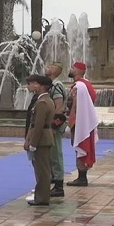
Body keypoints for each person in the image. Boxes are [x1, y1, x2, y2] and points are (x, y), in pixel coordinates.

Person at [67, 62, 98, 187]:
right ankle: (82, 176)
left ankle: (82, 178)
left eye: (73, 68)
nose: (71, 69)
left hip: (80, 121)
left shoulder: (79, 86)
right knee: (80, 145)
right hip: (83, 119)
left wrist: (73, 118)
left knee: (80, 144)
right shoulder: (86, 84)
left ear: (78, 70)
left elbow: (76, 104)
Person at [26, 75, 54, 206]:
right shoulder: (44, 100)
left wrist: (33, 143)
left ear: (41, 86)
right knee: (42, 169)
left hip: (42, 139)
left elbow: (38, 125)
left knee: (42, 170)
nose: (31, 86)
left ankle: (42, 198)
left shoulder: (42, 102)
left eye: (33, 83)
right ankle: (41, 196)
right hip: (44, 138)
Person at [46, 63, 67, 197]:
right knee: (52, 153)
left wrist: (53, 126)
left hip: (55, 125)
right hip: (52, 124)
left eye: (51, 66)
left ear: (55, 71)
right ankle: (54, 177)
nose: (47, 67)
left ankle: (59, 185)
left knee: (56, 154)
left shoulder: (56, 86)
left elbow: (58, 107)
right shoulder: (52, 84)